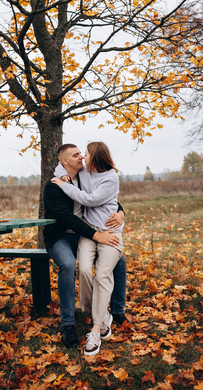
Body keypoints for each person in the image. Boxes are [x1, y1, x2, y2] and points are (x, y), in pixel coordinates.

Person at [43, 143, 127, 350]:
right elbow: (67, 218)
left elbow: (106, 195)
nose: (81, 157)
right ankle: (69, 325)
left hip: (86, 234)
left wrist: (121, 212)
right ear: (64, 162)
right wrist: (96, 235)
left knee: (120, 261)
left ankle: (116, 311)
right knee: (70, 265)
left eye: (83, 154)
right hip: (63, 236)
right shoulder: (54, 186)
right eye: (76, 155)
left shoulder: (84, 173)